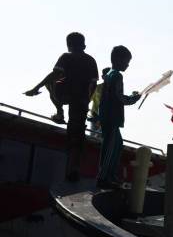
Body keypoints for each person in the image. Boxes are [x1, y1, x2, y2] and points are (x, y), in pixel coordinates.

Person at [25, 32, 98, 182]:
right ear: (83, 45)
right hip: (81, 100)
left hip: (66, 96)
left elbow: (54, 74)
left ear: (69, 45)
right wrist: (87, 101)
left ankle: (59, 112)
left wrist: (35, 88)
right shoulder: (91, 60)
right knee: (77, 133)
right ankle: (75, 168)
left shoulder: (66, 56)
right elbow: (94, 84)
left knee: (49, 82)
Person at [96, 46, 140, 189]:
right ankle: (104, 177)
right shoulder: (116, 75)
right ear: (118, 60)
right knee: (110, 147)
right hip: (111, 117)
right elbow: (118, 97)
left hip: (107, 116)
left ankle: (110, 175)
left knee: (117, 145)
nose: (127, 65)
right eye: (126, 61)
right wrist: (133, 99)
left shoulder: (109, 73)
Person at [88, 67, 111, 136]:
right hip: (95, 117)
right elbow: (87, 100)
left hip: (106, 119)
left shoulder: (115, 90)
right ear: (102, 77)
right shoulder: (96, 88)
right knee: (92, 138)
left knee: (101, 138)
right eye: (107, 75)